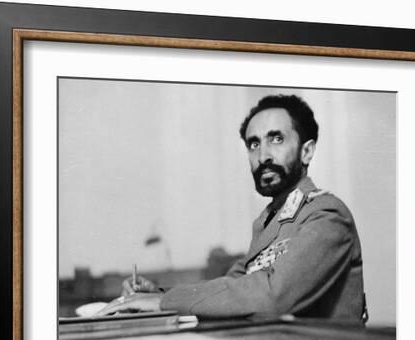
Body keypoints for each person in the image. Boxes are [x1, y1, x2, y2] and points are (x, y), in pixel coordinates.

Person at [98, 94, 367, 323]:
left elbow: (273, 297)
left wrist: (163, 302)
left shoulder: (327, 215)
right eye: (254, 144)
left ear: (307, 152)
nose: (263, 157)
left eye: (276, 139)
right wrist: (156, 292)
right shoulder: (269, 223)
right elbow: (230, 287)